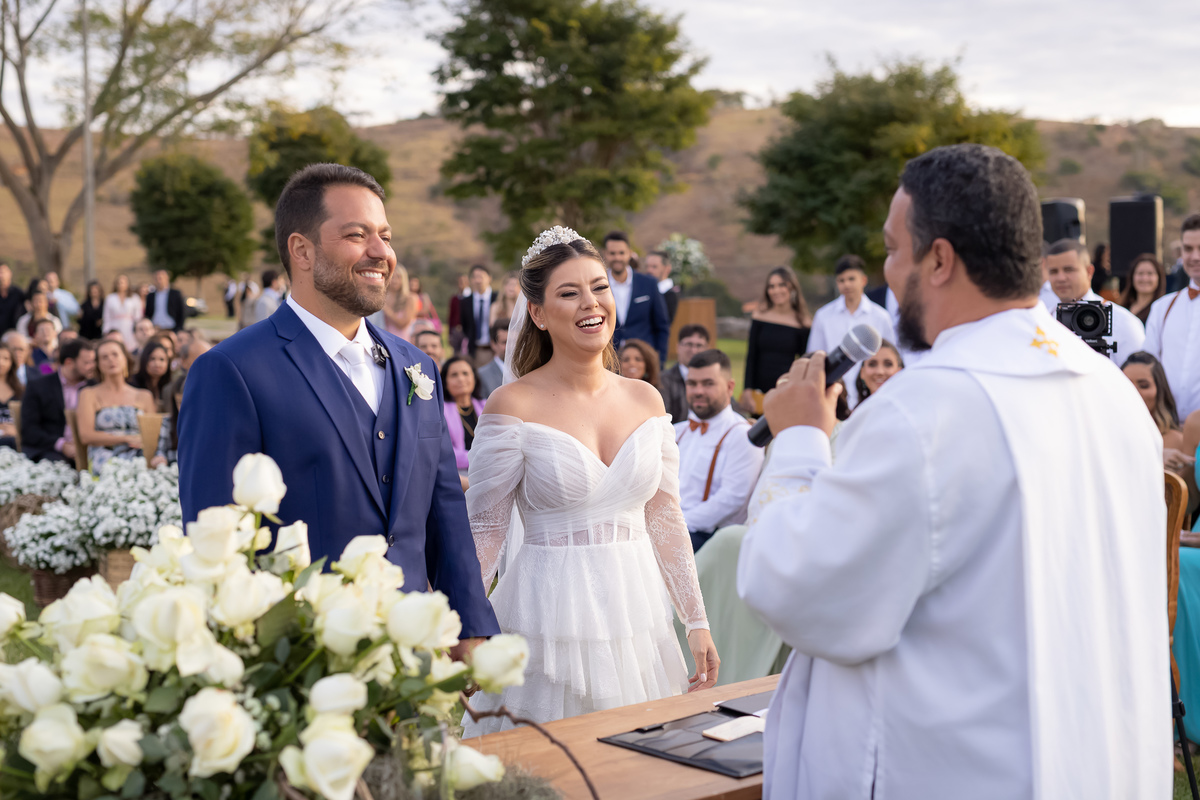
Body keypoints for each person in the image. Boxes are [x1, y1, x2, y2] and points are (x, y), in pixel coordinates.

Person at [738, 143, 1168, 799]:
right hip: (1084, 760)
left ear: (938, 260)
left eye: (893, 250)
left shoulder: (925, 410)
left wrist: (799, 441)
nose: (886, 273)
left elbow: (800, 589)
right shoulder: (1111, 391)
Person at [179, 163, 499, 647]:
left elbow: (444, 513)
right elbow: (214, 539)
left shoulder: (418, 368)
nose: (382, 253)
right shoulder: (231, 371)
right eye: (357, 235)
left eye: (385, 236)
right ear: (302, 250)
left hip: (414, 655)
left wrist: (473, 630)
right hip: (301, 658)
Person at [463, 226, 718, 735]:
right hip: (545, 618)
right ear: (537, 313)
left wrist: (696, 620)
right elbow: (485, 530)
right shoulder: (512, 405)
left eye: (600, 287)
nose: (591, 303)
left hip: (636, 615)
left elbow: (665, 516)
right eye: (569, 293)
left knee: (640, 756)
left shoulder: (647, 399)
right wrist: (466, 627)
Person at [675, 349, 763, 552]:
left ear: (730, 387)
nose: (698, 391)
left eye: (708, 384)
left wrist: (674, 525)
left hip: (708, 538)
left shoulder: (742, 435)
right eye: (692, 383)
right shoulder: (676, 431)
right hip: (667, 527)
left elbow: (731, 499)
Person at [807, 254, 894, 409]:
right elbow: (814, 355)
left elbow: (891, 355)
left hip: (872, 393)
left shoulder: (881, 316)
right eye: (841, 280)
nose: (846, 284)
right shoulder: (823, 316)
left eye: (851, 279)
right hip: (834, 395)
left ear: (863, 280)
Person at [1044, 238, 1145, 364]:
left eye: (1069, 270)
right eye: (1053, 271)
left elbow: (1137, 374)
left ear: (1089, 271)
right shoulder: (1043, 320)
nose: (1061, 278)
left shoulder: (1121, 322)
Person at [1145, 214, 1200, 420]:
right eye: (1188, 249)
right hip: (1168, 425)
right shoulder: (1162, 308)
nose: (1194, 256)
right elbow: (1149, 367)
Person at [742, 267, 811, 414]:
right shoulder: (759, 316)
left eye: (781, 285)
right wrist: (747, 390)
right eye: (771, 286)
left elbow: (804, 362)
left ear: (791, 287)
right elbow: (751, 356)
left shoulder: (802, 323)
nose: (775, 290)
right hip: (759, 394)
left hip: (787, 391)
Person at [77, 339, 155, 470]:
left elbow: (152, 435)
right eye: (104, 357)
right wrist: (125, 439)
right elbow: (86, 436)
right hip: (105, 460)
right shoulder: (88, 394)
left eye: (115, 354)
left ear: (125, 358)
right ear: (98, 364)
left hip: (139, 458)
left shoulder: (144, 395)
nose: (111, 360)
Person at [19, 338, 96, 463]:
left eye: (93, 361)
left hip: (91, 449)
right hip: (51, 451)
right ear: (69, 363)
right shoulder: (39, 386)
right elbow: (29, 430)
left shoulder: (94, 386)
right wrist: (61, 445)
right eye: (87, 363)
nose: (93, 366)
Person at [1121, 351, 1194, 474]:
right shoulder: (1105, 434)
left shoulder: (1177, 441)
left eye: (1143, 385)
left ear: (1159, 391)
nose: (1133, 391)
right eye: (1126, 384)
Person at [605, 231, 670, 365]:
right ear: (605, 254)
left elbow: (662, 326)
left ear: (629, 253)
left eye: (621, 253)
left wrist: (660, 362)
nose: (617, 257)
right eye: (612, 253)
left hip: (644, 361)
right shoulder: (597, 284)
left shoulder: (649, 283)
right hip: (609, 361)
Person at [441, 355, 484, 474]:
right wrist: (480, 459)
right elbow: (444, 451)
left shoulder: (487, 406)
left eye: (465, 373)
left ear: (474, 378)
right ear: (445, 382)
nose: (460, 379)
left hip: (489, 468)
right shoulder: (439, 411)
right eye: (454, 375)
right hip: (457, 472)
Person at [660, 325, 709, 424]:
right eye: (689, 344)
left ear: (707, 349)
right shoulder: (663, 380)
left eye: (699, 345)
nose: (694, 350)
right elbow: (663, 418)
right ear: (678, 347)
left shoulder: (714, 379)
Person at [461, 264, 495, 366]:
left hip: (495, 350)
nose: (478, 280)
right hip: (474, 350)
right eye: (474, 277)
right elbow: (465, 326)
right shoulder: (465, 302)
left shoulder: (497, 299)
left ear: (489, 278)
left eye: (481, 276)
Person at [1119, 253, 1166, 325]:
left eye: (1150, 273)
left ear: (1159, 278)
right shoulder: (1122, 308)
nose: (1144, 278)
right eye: (1140, 273)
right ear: (1132, 277)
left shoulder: (1162, 311)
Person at [853, 339, 904, 404]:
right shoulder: (857, 411)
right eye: (872, 364)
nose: (880, 372)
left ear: (899, 371)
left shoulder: (913, 409)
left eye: (888, 364)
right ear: (862, 372)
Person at [128, 340, 173, 412]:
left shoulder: (169, 387)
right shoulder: (132, 383)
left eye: (162, 359)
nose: (157, 364)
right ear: (144, 360)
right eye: (152, 359)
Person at [102, 274, 142, 351]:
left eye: (123, 282)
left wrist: (137, 329)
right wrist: (106, 331)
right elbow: (107, 316)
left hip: (130, 327)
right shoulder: (110, 298)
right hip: (114, 327)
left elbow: (138, 316)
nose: (121, 285)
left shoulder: (134, 297)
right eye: (119, 283)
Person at [643, 250, 679, 324]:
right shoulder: (643, 288)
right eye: (647, 266)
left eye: (654, 267)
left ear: (667, 269)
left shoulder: (670, 294)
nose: (649, 270)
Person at [476, 319, 508, 399]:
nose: (510, 347)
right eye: (505, 342)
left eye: (513, 342)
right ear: (493, 344)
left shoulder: (527, 371)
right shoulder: (481, 375)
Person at [380, 264, 415, 340]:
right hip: (383, 339)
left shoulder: (410, 298)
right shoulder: (381, 297)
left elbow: (403, 323)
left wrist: (386, 309)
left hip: (402, 339)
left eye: (398, 277)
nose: (395, 280)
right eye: (392, 277)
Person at [0, 343, 23, 449]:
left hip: (16, 441)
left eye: (6, 358)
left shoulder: (21, 390)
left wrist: (16, 430)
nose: (1, 362)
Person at [447, 273, 470, 355]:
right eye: (460, 281)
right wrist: (450, 333)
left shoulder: (470, 298)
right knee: (456, 353)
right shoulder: (455, 298)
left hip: (467, 330)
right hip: (456, 330)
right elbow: (451, 316)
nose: (461, 283)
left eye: (464, 281)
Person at [0, 263, 24, 335]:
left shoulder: (18, 293)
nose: (1, 276)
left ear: (10, 273)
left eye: (3, 272)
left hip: (14, 333)